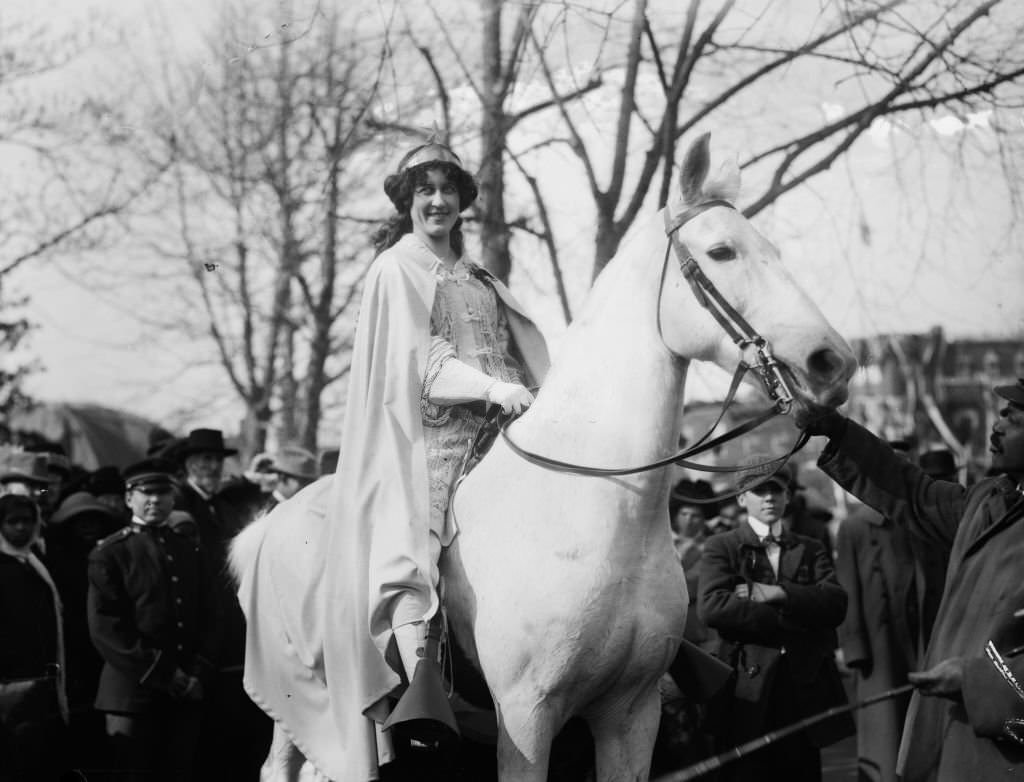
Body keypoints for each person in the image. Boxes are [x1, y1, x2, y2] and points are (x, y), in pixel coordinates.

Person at [242, 139, 549, 780]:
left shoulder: (477, 273)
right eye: (423, 191)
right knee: (414, 545)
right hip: (426, 438)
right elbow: (423, 364)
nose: (437, 201)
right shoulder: (396, 267)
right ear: (407, 202)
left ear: (463, 199)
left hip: (499, 426)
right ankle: (420, 698)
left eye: (447, 190)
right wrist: (493, 388)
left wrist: (530, 392)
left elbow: (512, 350)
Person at [800, 378, 1024, 781]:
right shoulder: (987, 500)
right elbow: (912, 491)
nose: (997, 426)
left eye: (1016, 419)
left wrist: (978, 681)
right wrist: (837, 429)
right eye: (1002, 415)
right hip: (954, 733)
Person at [698, 455, 852, 782]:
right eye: (759, 490)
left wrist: (781, 594)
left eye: (777, 490)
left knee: (801, 771)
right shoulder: (722, 546)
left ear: (788, 496)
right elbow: (712, 606)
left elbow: (836, 603)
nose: (769, 497)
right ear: (742, 498)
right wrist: (791, 615)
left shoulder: (809, 547)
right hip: (746, 687)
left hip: (802, 688)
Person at [87, 458, 220, 781]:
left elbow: (211, 615)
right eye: (145, 493)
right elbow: (106, 629)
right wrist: (163, 674)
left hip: (186, 691)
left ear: (173, 499)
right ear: (129, 498)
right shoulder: (111, 552)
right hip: (133, 693)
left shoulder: (188, 549)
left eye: (162, 494)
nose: (154, 501)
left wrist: (195, 672)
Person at [172, 428, 272, 780]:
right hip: (197, 629)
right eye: (204, 459)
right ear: (187, 463)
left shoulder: (229, 507)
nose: (211, 466)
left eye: (216, 460)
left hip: (235, 626)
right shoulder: (178, 502)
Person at [45, 491, 122, 772]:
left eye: (94, 520)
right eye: (80, 522)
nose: (89, 527)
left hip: (107, 660)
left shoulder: (111, 559)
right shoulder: (56, 563)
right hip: (74, 660)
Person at [0, 494, 68, 781]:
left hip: (42, 681)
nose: (21, 528)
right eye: (12, 522)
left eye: (27, 521)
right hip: (8, 685)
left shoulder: (33, 560)